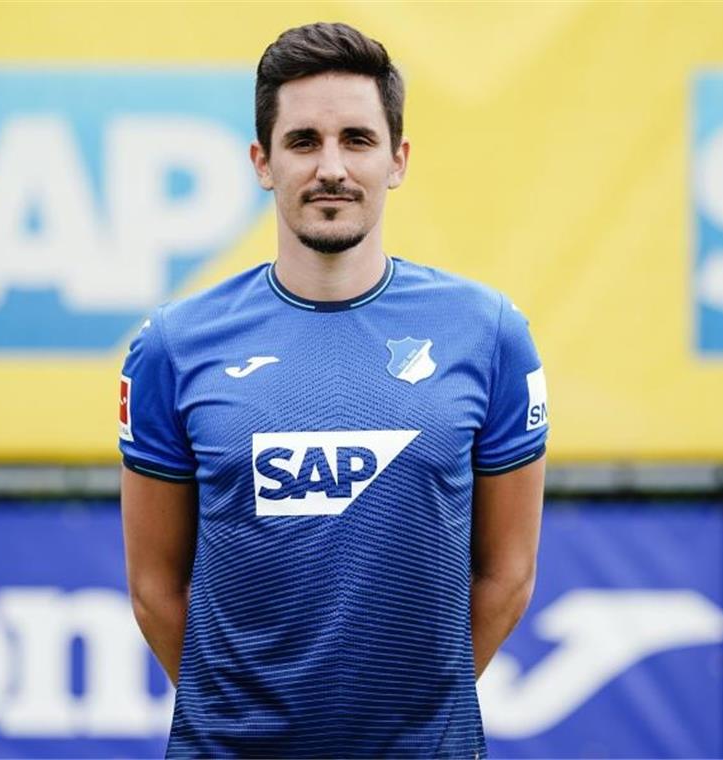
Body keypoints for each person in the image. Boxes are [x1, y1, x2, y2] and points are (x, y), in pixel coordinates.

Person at [119, 21, 548, 758]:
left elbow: (507, 576)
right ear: (263, 162)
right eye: (303, 142)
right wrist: (245, 728)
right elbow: (156, 589)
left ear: (397, 160)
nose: (331, 168)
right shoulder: (173, 344)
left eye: (357, 140)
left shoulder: (489, 333)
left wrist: (412, 724)